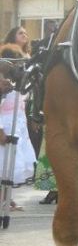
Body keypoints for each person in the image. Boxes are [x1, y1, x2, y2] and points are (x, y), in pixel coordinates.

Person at [0, 44, 37, 211]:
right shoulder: (2, 82)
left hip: (18, 124)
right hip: (5, 125)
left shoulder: (20, 81)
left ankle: (7, 198)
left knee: (14, 163)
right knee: (3, 164)